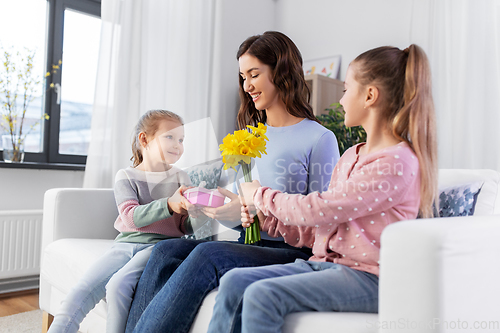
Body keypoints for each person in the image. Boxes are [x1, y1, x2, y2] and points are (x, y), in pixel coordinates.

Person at [207, 44, 438, 333]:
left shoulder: (396, 162)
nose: (340, 101)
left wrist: (261, 196)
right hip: (326, 264)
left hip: (372, 277)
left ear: (369, 96)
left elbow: (323, 206)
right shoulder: (352, 155)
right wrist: (269, 223)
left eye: (345, 89)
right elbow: (325, 225)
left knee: (262, 296)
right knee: (233, 281)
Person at [125, 31, 340, 333]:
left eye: (254, 74)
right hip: (248, 244)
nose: (247, 85)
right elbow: (243, 214)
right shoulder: (250, 137)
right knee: (165, 252)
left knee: (208, 254)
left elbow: (322, 223)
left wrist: (256, 215)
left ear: (281, 71)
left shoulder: (320, 138)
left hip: (291, 252)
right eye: (243, 76)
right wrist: (229, 212)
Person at [48, 110, 194, 333]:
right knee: (82, 290)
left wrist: (196, 214)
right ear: (144, 139)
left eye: (181, 139)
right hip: (124, 244)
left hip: (158, 247)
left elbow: (184, 227)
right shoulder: (126, 176)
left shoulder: (181, 178)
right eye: (170, 137)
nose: (178, 145)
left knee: (119, 285)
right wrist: (168, 204)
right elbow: (130, 217)